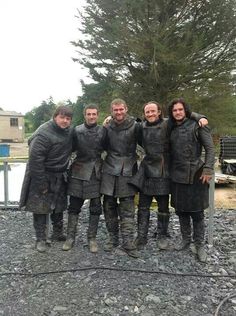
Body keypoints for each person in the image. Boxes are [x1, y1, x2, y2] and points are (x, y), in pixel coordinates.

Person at [131, 101, 208, 251]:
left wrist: (200, 116)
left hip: (165, 169)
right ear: (144, 114)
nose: (150, 114)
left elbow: (184, 115)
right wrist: (109, 119)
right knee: (143, 206)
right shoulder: (141, 127)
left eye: (153, 111)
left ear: (159, 112)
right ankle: (141, 236)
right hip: (147, 169)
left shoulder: (169, 124)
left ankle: (162, 236)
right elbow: (127, 124)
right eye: (147, 112)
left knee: (163, 207)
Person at [19, 106, 73, 253]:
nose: (65, 121)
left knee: (59, 205)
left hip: (59, 174)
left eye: (68, 119)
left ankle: (57, 233)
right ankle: (40, 239)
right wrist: (41, 183)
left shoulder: (68, 132)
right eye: (62, 117)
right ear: (55, 116)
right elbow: (35, 161)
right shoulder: (42, 134)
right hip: (42, 173)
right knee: (41, 208)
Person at [168, 98, 215, 262]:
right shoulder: (170, 126)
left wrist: (208, 168)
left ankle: (199, 244)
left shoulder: (198, 125)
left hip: (197, 173)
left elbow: (210, 148)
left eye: (180, 109)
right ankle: (186, 239)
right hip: (177, 174)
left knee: (197, 212)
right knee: (181, 210)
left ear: (185, 110)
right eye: (175, 110)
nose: (178, 112)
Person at [62, 105, 106, 253]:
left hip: (96, 171)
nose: (91, 116)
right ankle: (70, 237)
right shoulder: (76, 130)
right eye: (89, 114)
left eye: (94, 114)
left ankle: (92, 238)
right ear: (85, 115)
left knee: (95, 208)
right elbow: (68, 148)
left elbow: (110, 148)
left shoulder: (103, 131)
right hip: (78, 170)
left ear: (97, 115)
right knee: (74, 206)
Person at [100, 98, 140, 258]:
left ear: (126, 109)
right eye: (115, 110)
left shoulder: (136, 126)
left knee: (127, 207)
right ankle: (113, 238)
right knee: (108, 205)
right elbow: (101, 144)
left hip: (128, 168)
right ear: (111, 111)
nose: (118, 112)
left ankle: (128, 242)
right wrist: (103, 128)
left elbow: (149, 141)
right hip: (109, 168)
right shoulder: (107, 126)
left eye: (121, 109)